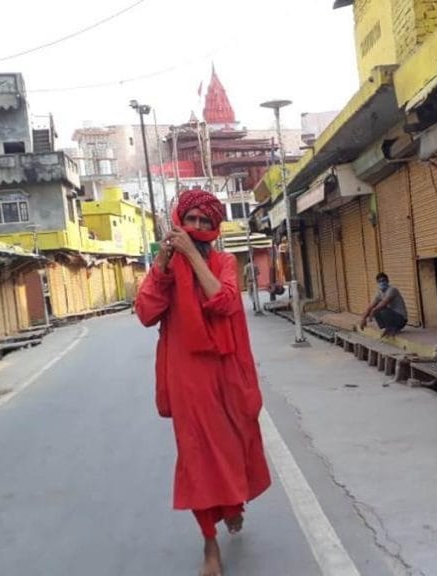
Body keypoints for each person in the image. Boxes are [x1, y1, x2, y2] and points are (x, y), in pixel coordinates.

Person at [135, 188, 271, 576]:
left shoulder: (225, 261)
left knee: (230, 449)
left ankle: (232, 506)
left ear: (214, 226)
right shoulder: (166, 267)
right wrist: (164, 258)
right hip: (187, 376)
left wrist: (193, 257)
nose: (195, 227)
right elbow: (146, 312)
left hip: (226, 374)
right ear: (179, 221)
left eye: (203, 221)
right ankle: (209, 544)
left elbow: (225, 302)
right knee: (197, 458)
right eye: (189, 219)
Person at [360, 272, 408, 337]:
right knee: (377, 310)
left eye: (383, 280)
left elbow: (384, 303)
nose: (382, 283)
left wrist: (373, 311)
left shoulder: (392, 290)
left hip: (401, 319)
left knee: (382, 310)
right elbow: (371, 306)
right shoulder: (379, 293)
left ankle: (391, 328)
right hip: (393, 317)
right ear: (377, 283)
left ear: (387, 281)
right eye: (380, 281)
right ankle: (388, 328)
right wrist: (363, 318)